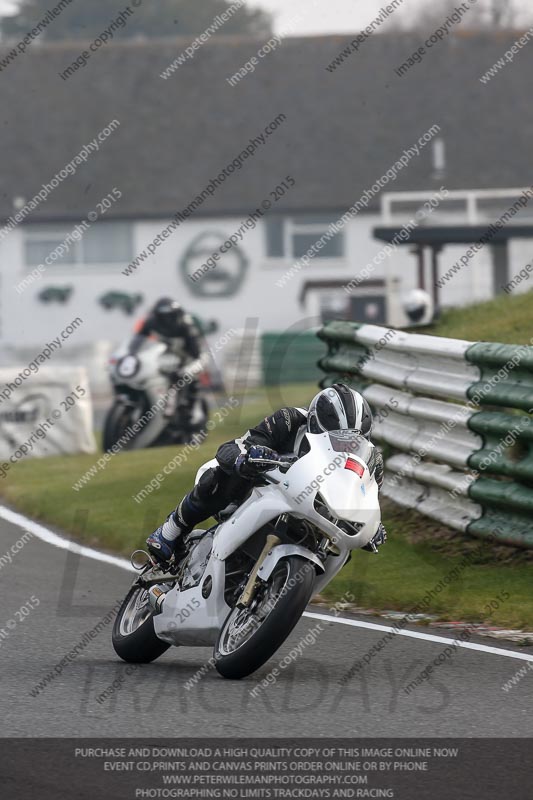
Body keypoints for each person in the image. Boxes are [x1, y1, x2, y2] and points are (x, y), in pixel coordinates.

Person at [146, 383, 386, 563]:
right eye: (333, 435)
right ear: (314, 420)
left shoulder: (372, 459)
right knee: (224, 477)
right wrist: (245, 458)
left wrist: (373, 527)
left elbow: (367, 497)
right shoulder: (289, 419)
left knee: (342, 550)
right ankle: (170, 531)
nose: (341, 446)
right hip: (263, 487)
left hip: (315, 510)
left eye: (351, 440)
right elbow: (233, 447)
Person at [132, 297, 205, 428]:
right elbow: (139, 339)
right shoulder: (151, 322)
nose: (166, 320)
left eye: (169, 316)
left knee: (187, 373)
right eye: (162, 316)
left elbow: (196, 351)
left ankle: (194, 409)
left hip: (190, 356)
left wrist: (185, 365)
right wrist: (132, 353)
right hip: (167, 358)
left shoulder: (186, 324)